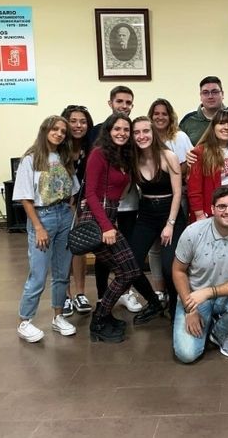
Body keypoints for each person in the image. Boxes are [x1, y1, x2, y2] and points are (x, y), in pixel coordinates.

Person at [172, 186, 228, 363]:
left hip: (227, 296)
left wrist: (209, 292)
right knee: (187, 354)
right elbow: (178, 270)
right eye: (221, 206)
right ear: (212, 209)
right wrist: (190, 309)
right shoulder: (193, 232)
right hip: (195, 297)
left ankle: (218, 331)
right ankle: (205, 320)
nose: (227, 211)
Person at [14, 116, 78, 342]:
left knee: (62, 272)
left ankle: (58, 316)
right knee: (38, 274)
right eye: (55, 129)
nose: (59, 134)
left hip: (64, 215)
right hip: (43, 217)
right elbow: (25, 198)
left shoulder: (64, 158)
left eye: (63, 131)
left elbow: (72, 191)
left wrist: (71, 216)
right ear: (45, 130)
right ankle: (25, 320)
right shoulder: (31, 159)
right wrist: (38, 227)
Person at [82, 113, 142, 343]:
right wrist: (107, 226)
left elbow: (121, 191)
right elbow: (90, 194)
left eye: (126, 130)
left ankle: (103, 315)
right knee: (128, 271)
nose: (122, 133)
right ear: (108, 131)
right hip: (98, 219)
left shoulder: (123, 156)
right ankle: (99, 320)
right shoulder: (98, 154)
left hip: (111, 215)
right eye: (117, 129)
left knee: (129, 271)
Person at [89, 86, 143, 314]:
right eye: (120, 101)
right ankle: (103, 300)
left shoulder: (133, 138)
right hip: (103, 209)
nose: (124, 106)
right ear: (110, 103)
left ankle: (124, 294)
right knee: (106, 259)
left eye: (128, 102)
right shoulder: (97, 138)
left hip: (127, 205)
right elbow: (91, 184)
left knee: (127, 255)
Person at [127, 116, 184, 324]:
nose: (141, 136)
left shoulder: (169, 156)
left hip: (171, 213)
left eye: (146, 131)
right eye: (136, 132)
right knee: (130, 265)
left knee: (170, 268)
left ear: (153, 133)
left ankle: (175, 307)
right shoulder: (133, 159)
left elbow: (177, 193)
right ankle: (154, 302)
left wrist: (170, 224)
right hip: (147, 214)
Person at [147, 98, 194, 302]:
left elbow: (188, 165)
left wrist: (169, 172)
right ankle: (159, 291)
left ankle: (176, 290)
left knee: (174, 245)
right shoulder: (145, 137)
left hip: (176, 196)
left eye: (164, 114)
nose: (160, 117)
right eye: (156, 114)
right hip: (150, 199)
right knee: (155, 248)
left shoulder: (180, 137)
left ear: (170, 116)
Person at [187, 109, 228, 224]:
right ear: (213, 127)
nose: (226, 127)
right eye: (221, 123)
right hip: (211, 212)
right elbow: (194, 189)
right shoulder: (201, 152)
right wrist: (199, 215)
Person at [60, 105, 94, 317]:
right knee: (62, 248)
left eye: (83, 121)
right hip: (60, 203)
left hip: (84, 201)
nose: (78, 125)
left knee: (79, 246)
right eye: (73, 121)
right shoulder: (58, 146)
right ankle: (64, 295)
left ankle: (80, 293)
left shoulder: (91, 146)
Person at [179, 76, 226, 145]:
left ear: (222, 94)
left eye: (215, 92)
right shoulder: (188, 120)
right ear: (200, 96)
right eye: (205, 93)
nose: (210, 96)